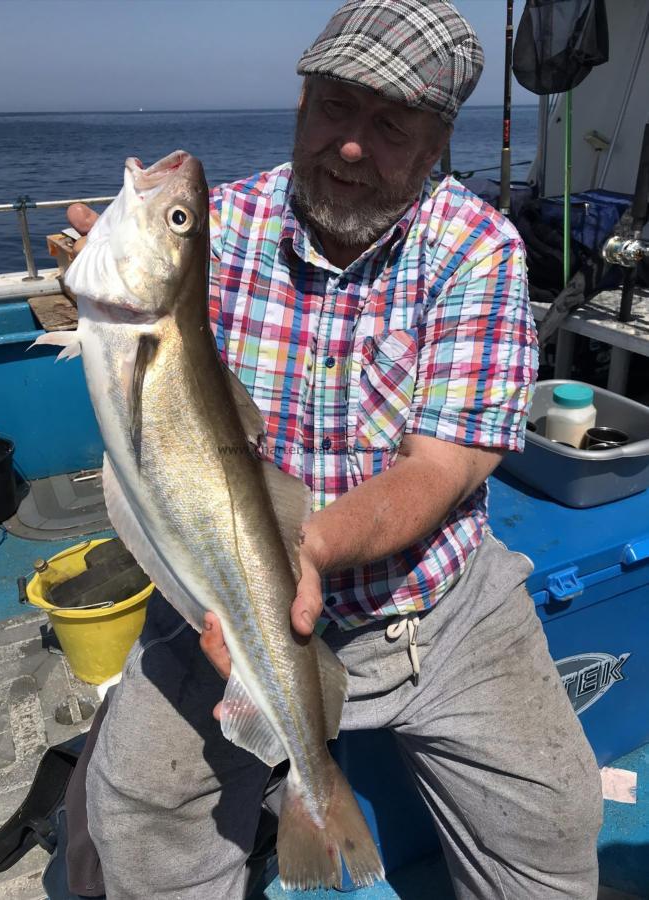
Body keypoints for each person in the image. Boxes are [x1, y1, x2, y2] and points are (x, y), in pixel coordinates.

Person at [68, 1, 603, 897]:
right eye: (334, 107)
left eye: (390, 126)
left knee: (554, 814)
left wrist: (303, 551)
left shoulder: (477, 249)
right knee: (132, 808)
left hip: (434, 603)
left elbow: (444, 465)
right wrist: (90, 280)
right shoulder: (225, 226)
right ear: (302, 104)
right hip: (216, 592)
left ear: (435, 145)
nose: (350, 145)